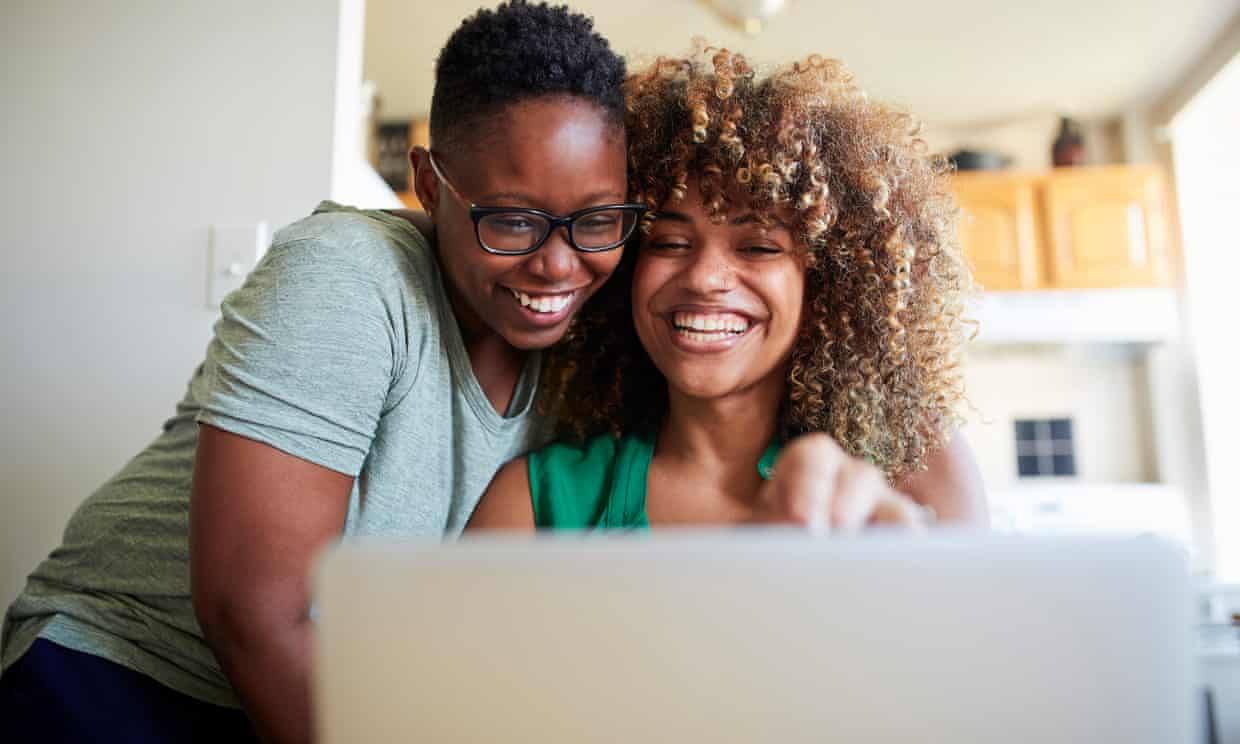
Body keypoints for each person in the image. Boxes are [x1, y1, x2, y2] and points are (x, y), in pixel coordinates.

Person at [0, 3, 639, 742]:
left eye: (595, 220)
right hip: (125, 671)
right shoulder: (347, 272)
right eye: (513, 220)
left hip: (319, 693)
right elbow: (251, 612)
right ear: (429, 185)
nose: (558, 263)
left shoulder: (587, 350)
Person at [469, 47, 987, 532]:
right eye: (669, 242)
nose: (703, 277)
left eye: (759, 247)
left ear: (827, 282)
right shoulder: (534, 506)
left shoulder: (918, 468)